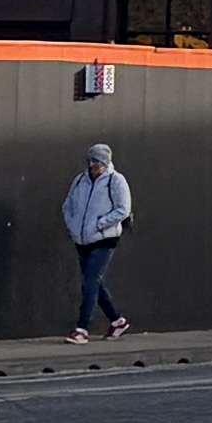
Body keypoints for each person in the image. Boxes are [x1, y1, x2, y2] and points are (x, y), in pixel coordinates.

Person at [63, 141, 133, 338]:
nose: (93, 164)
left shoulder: (116, 181)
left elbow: (123, 209)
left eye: (97, 161)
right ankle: (118, 321)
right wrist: (73, 224)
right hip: (82, 239)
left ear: (105, 162)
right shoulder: (80, 181)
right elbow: (67, 205)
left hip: (105, 240)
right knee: (94, 283)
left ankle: (82, 328)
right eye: (91, 160)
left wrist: (101, 224)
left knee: (90, 282)